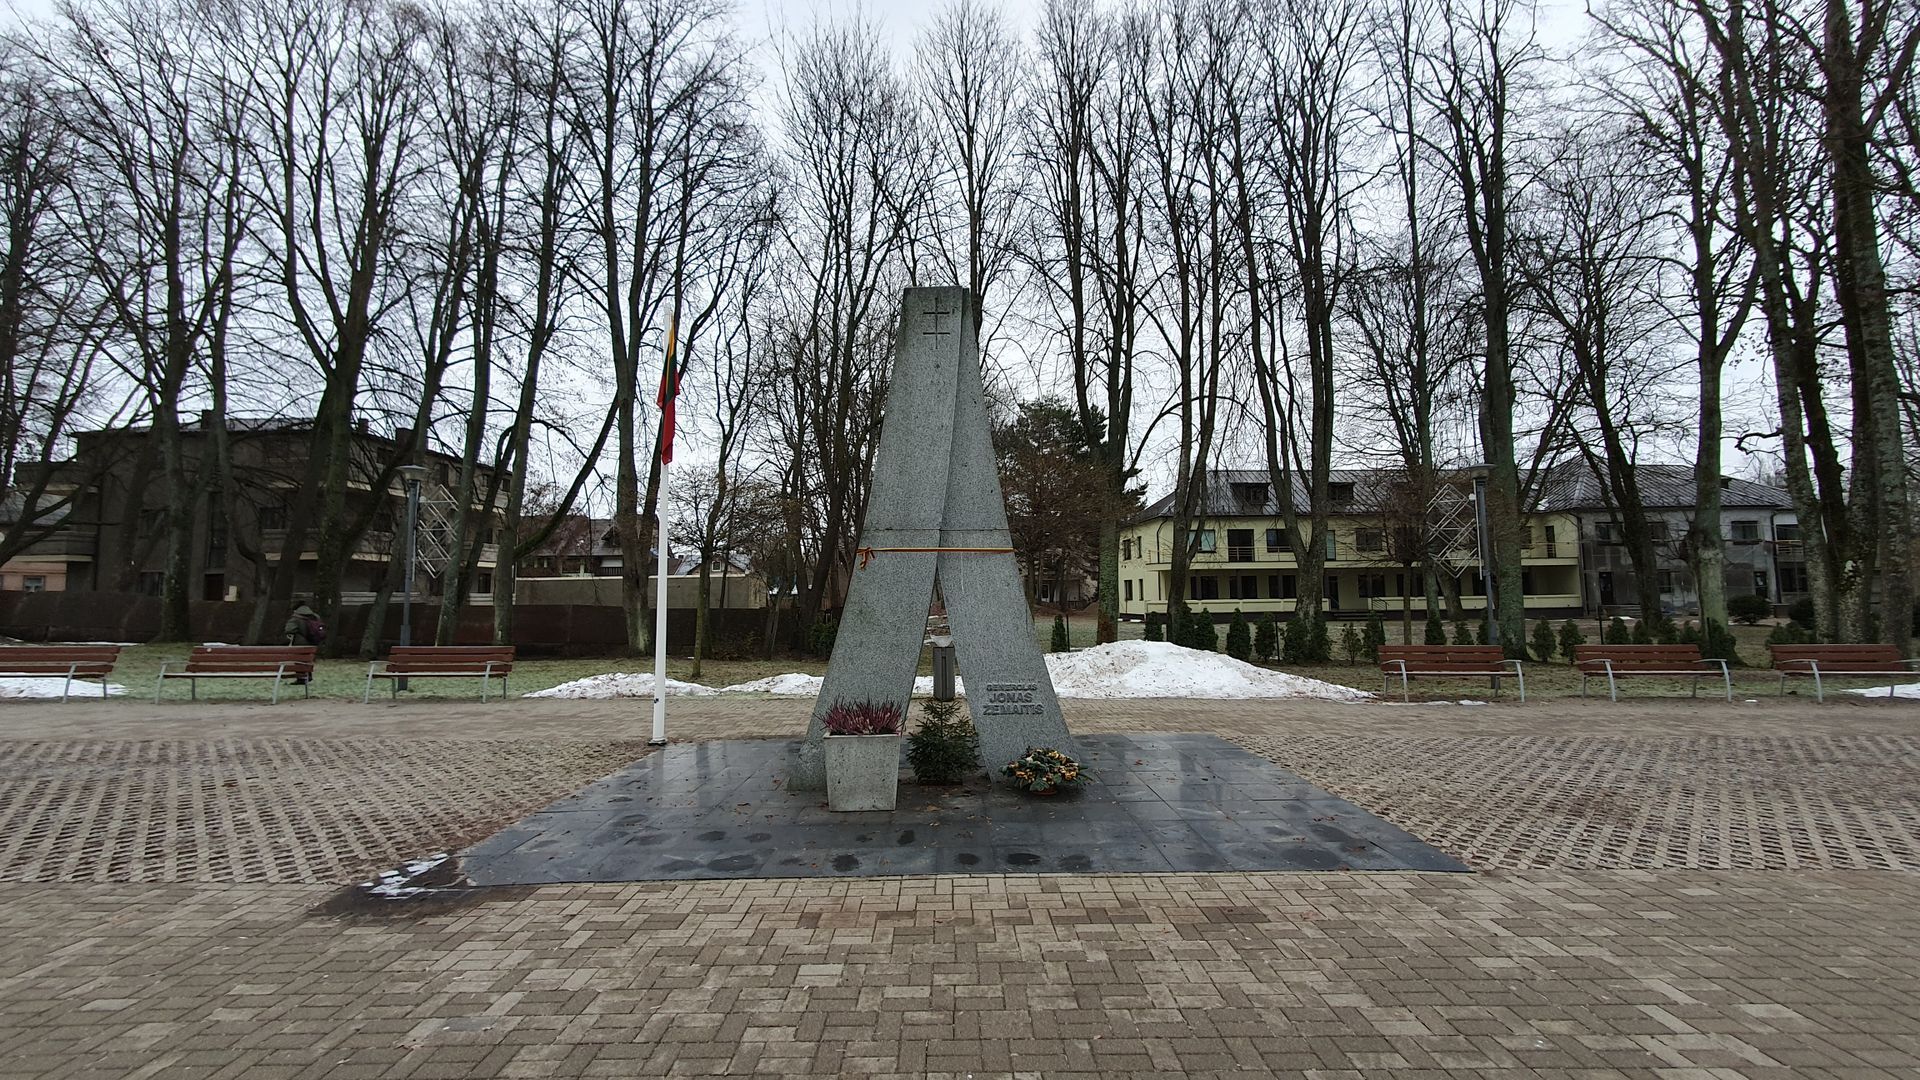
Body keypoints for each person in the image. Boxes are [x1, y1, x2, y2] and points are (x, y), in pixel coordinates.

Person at [283, 599, 325, 683]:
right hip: (313, 641)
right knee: (307, 659)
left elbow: (289, 630)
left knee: (299, 660)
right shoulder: (315, 616)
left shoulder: (296, 618)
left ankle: (301, 678)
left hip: (300, 642)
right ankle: (308, 675)